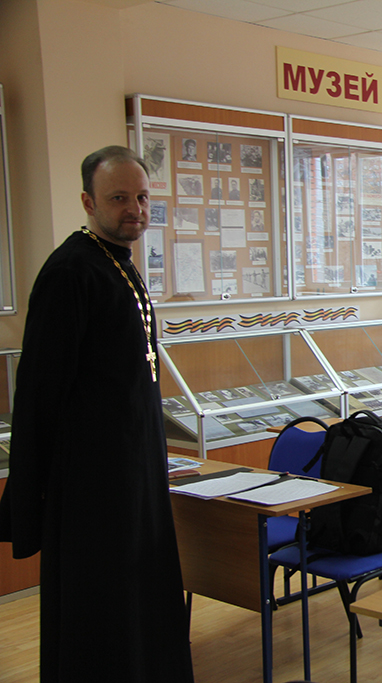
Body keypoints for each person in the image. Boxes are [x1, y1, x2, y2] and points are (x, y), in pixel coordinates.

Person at [0, 146, 194, 682]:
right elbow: (40, 390)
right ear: (88, 202)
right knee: (101, 608)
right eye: (119, 198)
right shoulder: (71, 271)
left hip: (135, 471)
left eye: (142, 197)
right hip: (93, 483)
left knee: (139, 596)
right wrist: (31, 493)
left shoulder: (119, 263)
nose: (135, 209)